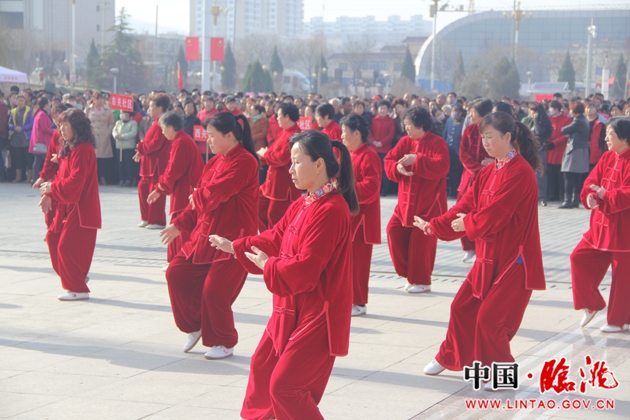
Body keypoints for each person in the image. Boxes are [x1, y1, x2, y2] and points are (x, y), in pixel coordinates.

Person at [209, 130, 358, 419]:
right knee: (262, 368)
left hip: (318, 313)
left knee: (285, 387)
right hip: (290, 306)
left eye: (296, 162)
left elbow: (307, 267)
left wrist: (269, 266)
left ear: (319, 165)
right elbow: (274, 237)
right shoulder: (304, 203)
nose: (290, 169)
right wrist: (236, 247)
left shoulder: (331, 209)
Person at [416, 111, 545, 389]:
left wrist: (468, 224)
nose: (485, 143)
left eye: (490, 137)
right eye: (482, 138)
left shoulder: (521, 172)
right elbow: (465, 205)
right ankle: (449, 356)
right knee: (461, 307)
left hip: (515, 259)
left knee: (490, 320)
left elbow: (498, 212)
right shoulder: (488, 171)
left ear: (508, 137)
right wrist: (434, 226)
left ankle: (501, 374)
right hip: (487, 256)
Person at [161, 112, 259, 360]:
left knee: (215, 291)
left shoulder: (245, 161)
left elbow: (220, 190)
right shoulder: (214, 163)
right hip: (205, 235)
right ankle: (195, 325)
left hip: (232, 239)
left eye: (213, 136)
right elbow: (197, 202)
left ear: (229, 135)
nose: (209, 141)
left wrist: (199, 195)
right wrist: (179, 225)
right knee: (176, 272)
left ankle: (224, 341)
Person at [571, 117, 630, 333]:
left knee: (622, 276)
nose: (606, 138)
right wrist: (590, 196)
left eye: (610, 134)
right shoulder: (607, 157)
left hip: (624, 229)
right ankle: (592, 303)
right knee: (578, 257)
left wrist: (606, 195)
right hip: (600, 225)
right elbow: (591, 182)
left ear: (624, 137)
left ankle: (618, 320)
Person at [384, 106, 450, 294]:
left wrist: (417, 159)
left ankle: (422, 281)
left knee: (421, 242)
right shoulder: (404, 142)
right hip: (404, 203)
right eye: (405, 124)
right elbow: (389, 160)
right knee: (393, 231)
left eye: (409, 124)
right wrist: (397, 167)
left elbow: (443, 166)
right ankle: (409, 273)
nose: (406, 128)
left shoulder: (437, 143)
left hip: (428, 203)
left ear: (420, 125)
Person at [39, 108, 102, 301]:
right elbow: (61, 175)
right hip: (67, 204)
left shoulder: (83, 150)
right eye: (60, 125)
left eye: (65, 125)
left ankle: (77, 288)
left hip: (80, 207)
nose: (61, 129)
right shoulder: (70, 149)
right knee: (53, 238)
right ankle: (76, 278)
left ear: (77, 127)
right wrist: (49, 193)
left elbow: (75, 182)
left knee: (66, 247)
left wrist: (52, 187)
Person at [148, 111, 203, 263]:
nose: (163, 132)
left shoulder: (182, 142)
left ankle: (180, 261)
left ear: (171, 127)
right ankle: (175, 260)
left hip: (186, 191)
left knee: (181, 224)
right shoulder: (181, 140)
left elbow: (174, 171)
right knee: (178, 223)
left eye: (163, 129)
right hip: (182, 189)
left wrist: (159, 189)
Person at [341, 113, 381, 316]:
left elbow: (372, 187)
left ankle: (358, 302)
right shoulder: (349, 154)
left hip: (362, 221)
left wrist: (347, 190)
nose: (341, 136)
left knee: (358, 264)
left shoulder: (369, 156)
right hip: (350, 217)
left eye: (344, 132)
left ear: (356, 133)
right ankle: (348, 299)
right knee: (348, 262)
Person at [458, 98, 494, 262]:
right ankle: (468, 247)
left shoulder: (495, 130)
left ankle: (481, 248)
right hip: (469, 177)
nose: (470, 115)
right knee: (463, 211)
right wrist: (477, 168)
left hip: (490, 178)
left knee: (482, 214)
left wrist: (493, 163)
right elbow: (463, 153)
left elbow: (509, 152)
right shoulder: (469, 130)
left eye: (472, 112)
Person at [257, 103, 302, 231]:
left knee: (275, 217)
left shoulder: (294, 135)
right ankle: (266, 238)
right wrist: (265, 156)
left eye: (279, 115)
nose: (277, 118)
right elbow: (273, 152)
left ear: (287, 116)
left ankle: (275, 241)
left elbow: (282, 158)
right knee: (258, 207)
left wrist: (266, 154)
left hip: (283, 185)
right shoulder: (284, 132)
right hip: (272, 182)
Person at [134, 93, 171, 228]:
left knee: (155, 190)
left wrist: (141, 147)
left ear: (159, 108)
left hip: (157, 163)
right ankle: (146, 217)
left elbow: (156, 143)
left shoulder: (163, 122)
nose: (148, 109)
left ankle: (157, 220)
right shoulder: (156, 122)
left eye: (151, 106)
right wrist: (141, 151)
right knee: (143, 188)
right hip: (148, 162)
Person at [559, 101, 590, 209]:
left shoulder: (577, 121)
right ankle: (575, 200)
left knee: (568, 175)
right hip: (582, 150)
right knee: (577, 177)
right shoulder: (584, 120)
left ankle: (568, 200)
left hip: (574, 150)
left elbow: (564, 130)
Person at [86, 92, 115, 186]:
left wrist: (108, 132)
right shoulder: (88, 109)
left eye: (102, 99)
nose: (100, 101)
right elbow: (84, 121)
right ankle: (93, 178)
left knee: (103, 159)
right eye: (98, 99)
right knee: (93, 159)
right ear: (94, 100)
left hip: (104, 137)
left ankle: (103, 177)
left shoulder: (107, 109)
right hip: (92, 136)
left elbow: (111, 122)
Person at [526, 102, 552, 206]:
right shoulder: (529, 121)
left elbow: (539, 132)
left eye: (534, 110)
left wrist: (536, 119)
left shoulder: (543, 122)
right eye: (531, 110)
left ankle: (542, 197)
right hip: (528, 150)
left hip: (540, 150)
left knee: (540, 174)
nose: (532, 112)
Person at [370, 100, 396, 196]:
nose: (382, 110)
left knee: (384, 170)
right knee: (375, 169)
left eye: (385, 109)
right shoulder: (374, 120)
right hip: (374, 148)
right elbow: (370, 133)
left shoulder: (391, 121)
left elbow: (391, 135)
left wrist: (382, 142)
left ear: (388, 110)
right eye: (381, 108)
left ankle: (385, 189)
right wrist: (373, 141)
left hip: (385, 148)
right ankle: (376, 188)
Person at [547, 100, 571, 202]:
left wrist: (555, 142)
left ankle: (561, 195)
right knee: (551, 174)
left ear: (556, 109)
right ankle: (551, 194)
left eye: (551, 108)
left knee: (560, 176)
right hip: (550, 150)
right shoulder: (549, 119)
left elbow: (566, 135)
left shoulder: (566, 119)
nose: (550, 110)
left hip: (560, 149)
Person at [8, 94, 34, 183]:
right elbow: (9, 123)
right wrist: (14, 128)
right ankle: (18, 176)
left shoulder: (29, 110)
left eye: (22, 101)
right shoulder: (13, 111)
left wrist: (22, 128)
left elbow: (31, 123)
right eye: (19, 101)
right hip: (15, 137)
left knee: (28, 158)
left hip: (26, 137)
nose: (21, 102)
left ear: (25, 102)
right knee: (17, 158)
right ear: (16, 102)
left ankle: (29, 177)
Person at [30, 97, 54, 182]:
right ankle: (43, 178)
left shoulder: (39, 113)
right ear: (45, 105)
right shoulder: (42, 114)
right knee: (47, 162)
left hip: (39, 141)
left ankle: (35, 179)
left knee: (37, 161)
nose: (50, 104)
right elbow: (44, 128)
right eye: (49, 103)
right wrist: (55, 131)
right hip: (43, 141)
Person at [443, 104, 465, 198]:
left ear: (460, 113)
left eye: (456, 111)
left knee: (455, 173)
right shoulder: (449, 121)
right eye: (453, 111)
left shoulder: (463, 123)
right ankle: (449, 190)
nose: (454, 113)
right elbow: (445, 134)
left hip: (458, 152)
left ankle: (454, 192)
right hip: (448, 150)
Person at [112, 111, 138, 187]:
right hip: (119, 146)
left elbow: (133, 133)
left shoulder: (133, 123)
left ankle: (129, 179)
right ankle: (121, 179)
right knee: (120, 164)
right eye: (122, 114)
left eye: (125, 114)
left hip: (129, 146)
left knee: (128, 164)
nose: (123, 115)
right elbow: (114, 131)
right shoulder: (118, 122)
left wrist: (123, 137)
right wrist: (116, 136)